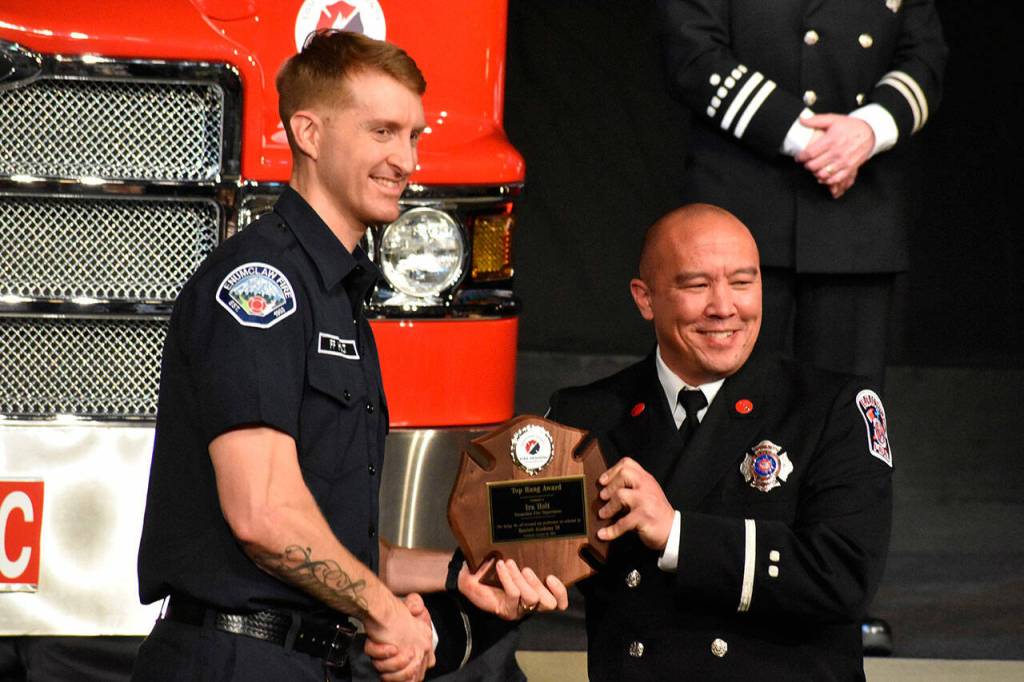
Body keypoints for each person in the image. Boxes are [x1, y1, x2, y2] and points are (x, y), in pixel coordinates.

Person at [132, 30, 566, 682]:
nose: (406, 160)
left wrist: (458, 574)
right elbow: (264, 515)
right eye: (382, 132)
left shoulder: (336, 295)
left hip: (302, 660)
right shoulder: (263, 285)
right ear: (308, 133)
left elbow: (334, 542)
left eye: (413, 136)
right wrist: (386, 614)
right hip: (236, 662)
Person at [547, 204, 894, 680]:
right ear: (645, 299)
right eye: (697, 285)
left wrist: (677, 535)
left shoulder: (832, 408)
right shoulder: (584, 416)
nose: (724, 307)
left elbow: (843, 575)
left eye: (742, 282)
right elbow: (517, 558)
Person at [655, 0, 948, 390]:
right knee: (723, 402)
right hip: (739, 211)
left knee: (846, 409)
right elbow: (692, 48)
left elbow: (924, 55)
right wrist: (806, 138)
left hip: (855, 214)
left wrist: (870, 129)